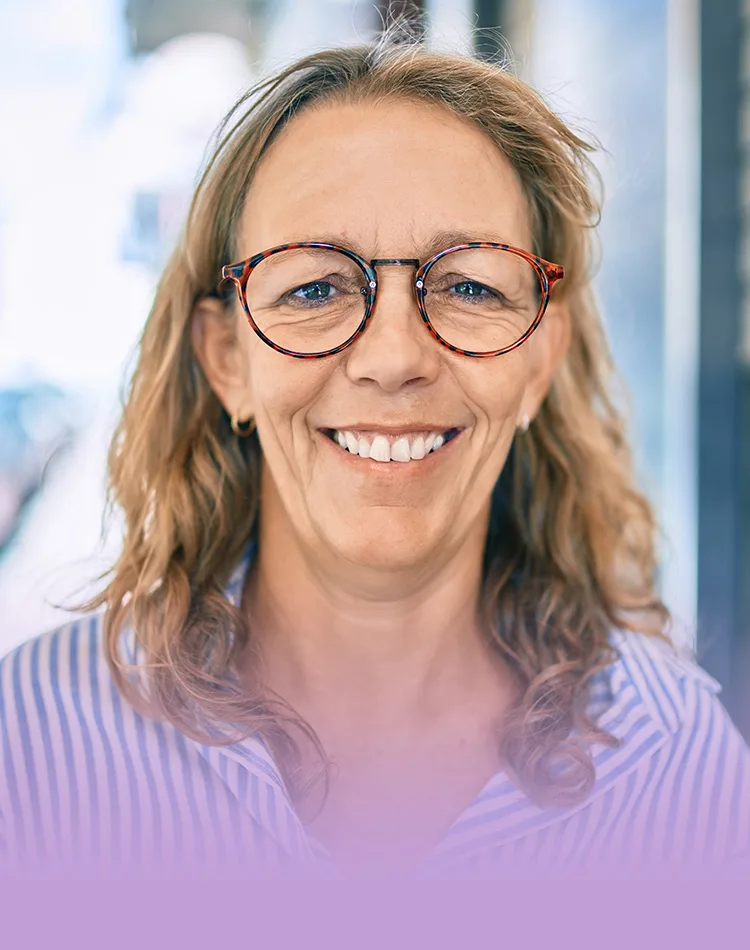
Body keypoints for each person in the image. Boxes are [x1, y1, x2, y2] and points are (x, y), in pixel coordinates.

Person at [0, 33, 748, 877]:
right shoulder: (28, 750)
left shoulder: (677, 765)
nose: (394, 358)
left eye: (469, 285)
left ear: (541, 359)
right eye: (313, 286)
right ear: (225, 360)